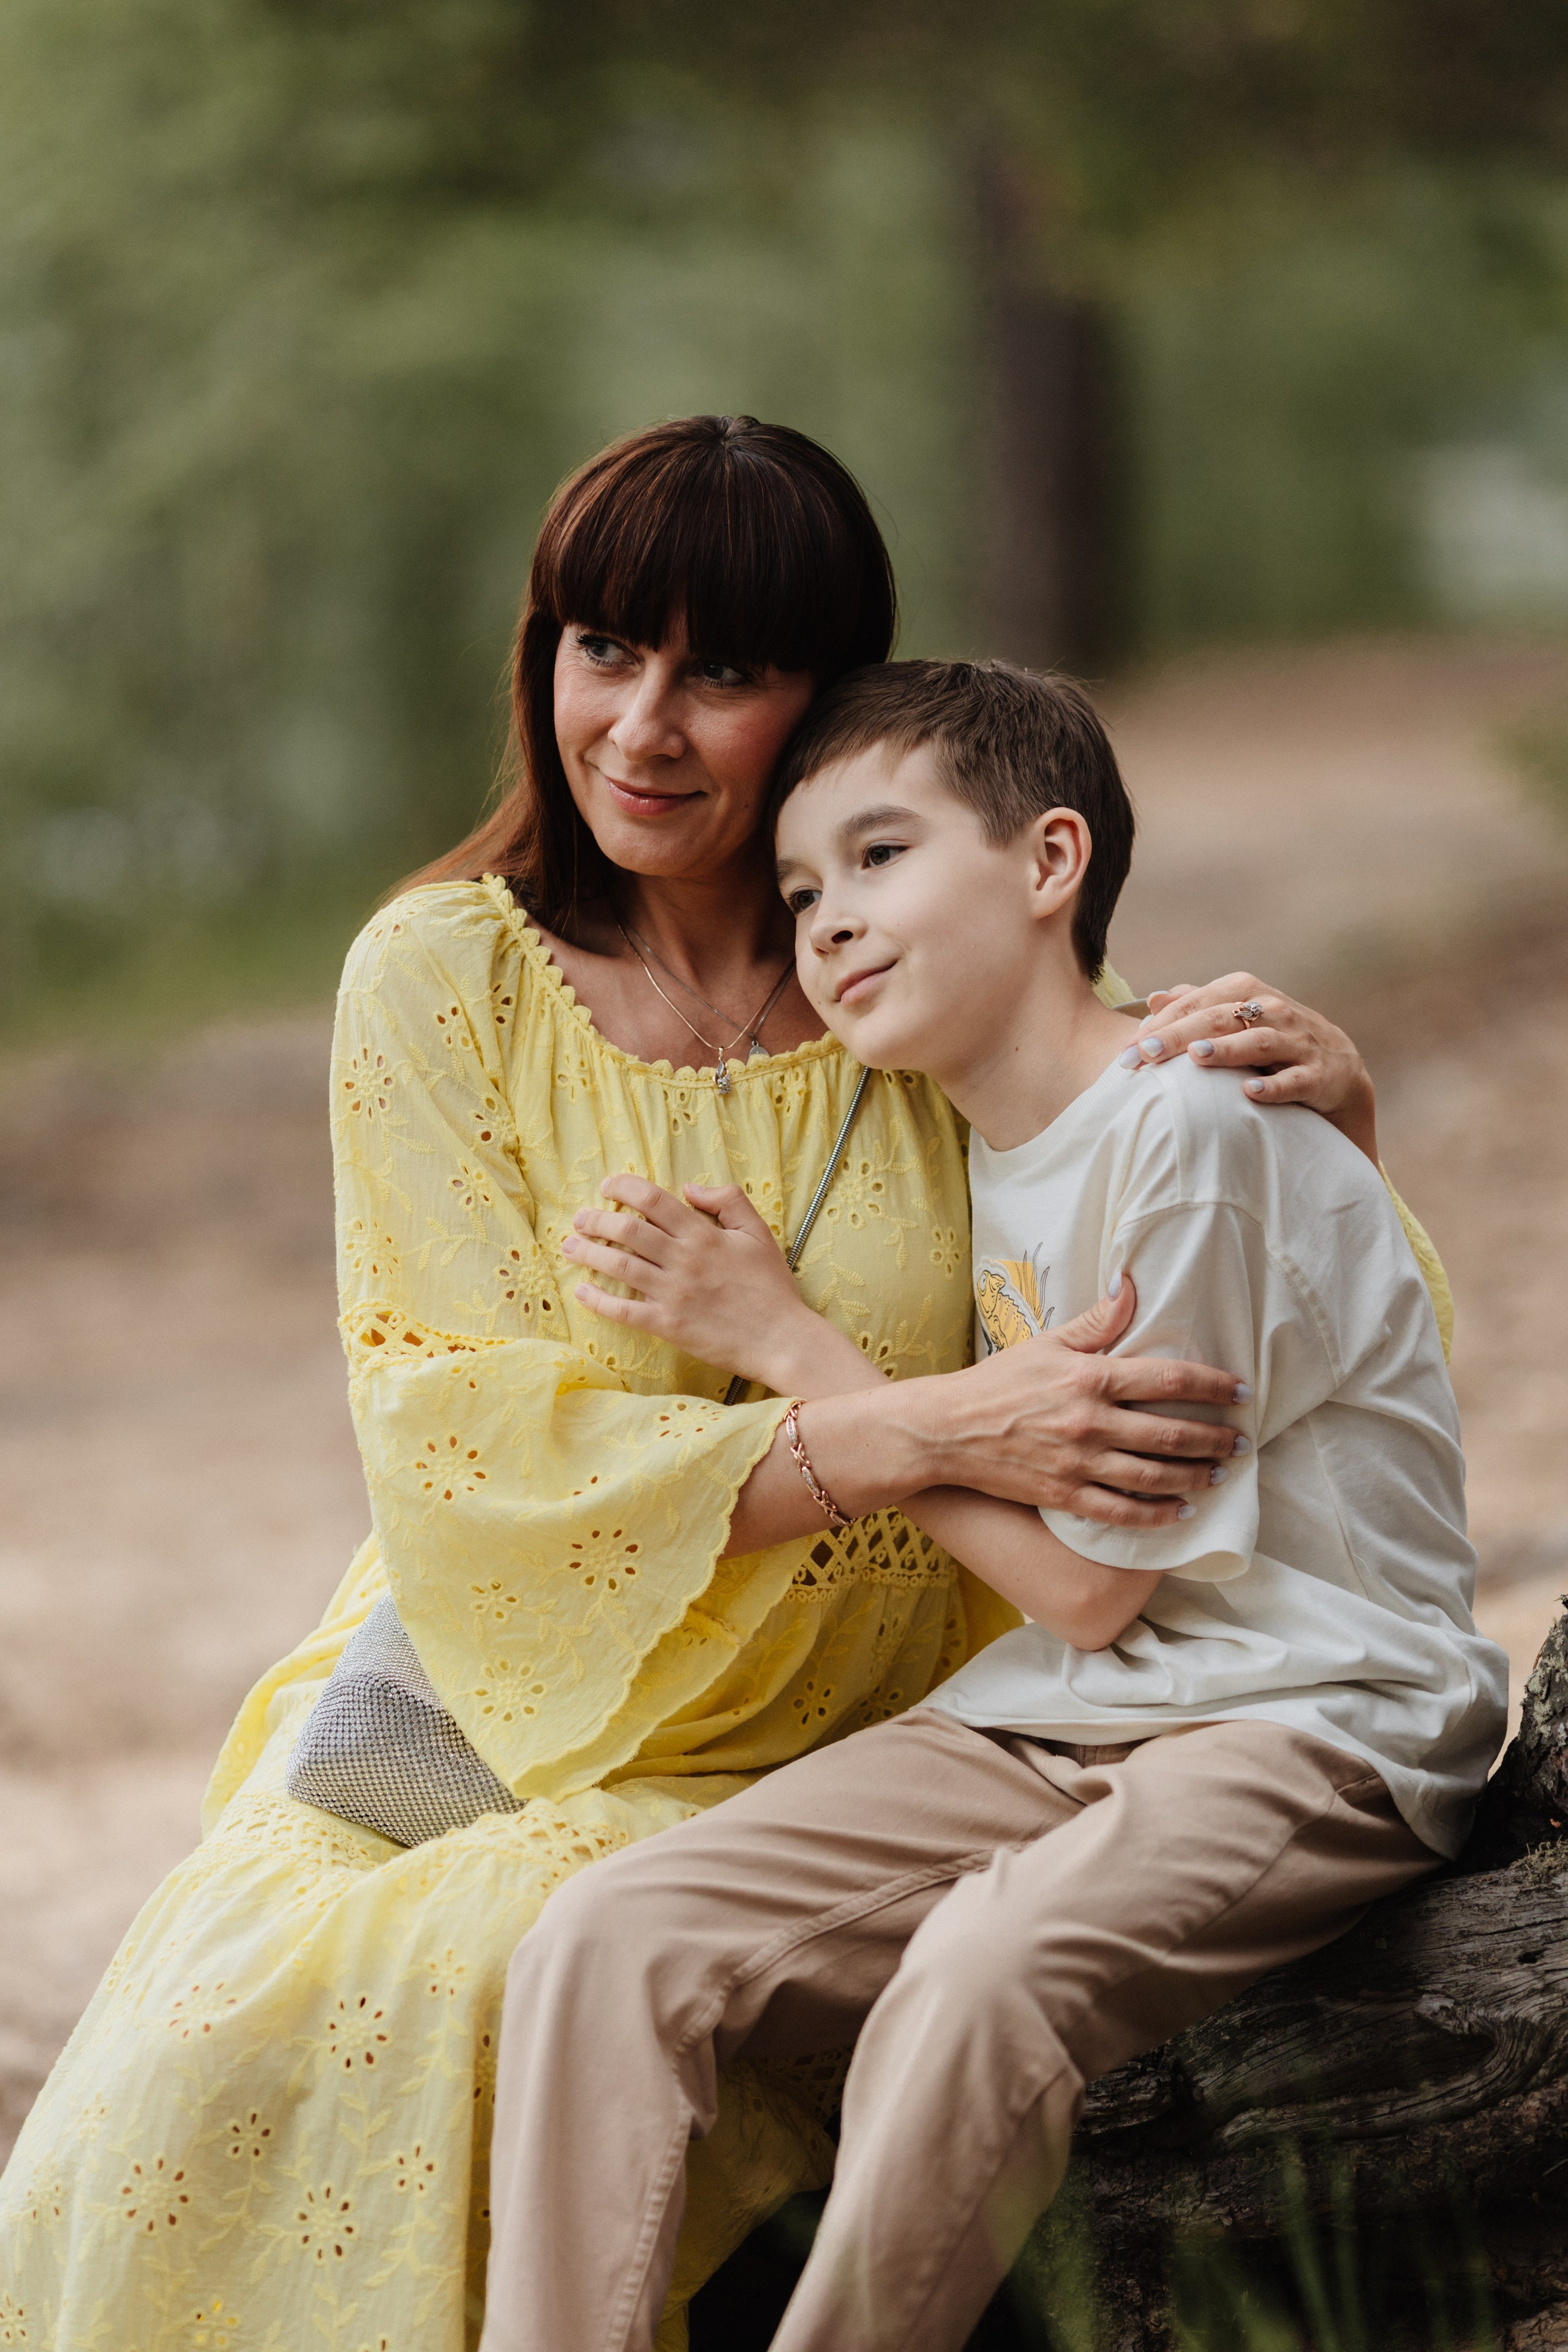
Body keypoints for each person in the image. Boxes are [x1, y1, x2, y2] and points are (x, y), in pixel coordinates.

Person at [0, 419, 1448, 2352]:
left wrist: (1337, 1116)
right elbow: (459, 1443)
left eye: (728, 672)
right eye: (605, 648)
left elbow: (1214, 1275)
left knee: (780, 1970)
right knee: (247, 2039)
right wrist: (911, 1421)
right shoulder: (446, 978)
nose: (644, 726)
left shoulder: (894, 971)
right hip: (557, 1688)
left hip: (954, 1670)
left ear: (834, 703)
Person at [478, 658, 1507, 2352]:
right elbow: (1085, 1627)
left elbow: (1099, 1590)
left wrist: (794, 1346)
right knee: (606, 1935)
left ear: (1048, 866)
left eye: (881, 859)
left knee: (979, 1976)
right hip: (1061, 1718)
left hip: (1309, 1720)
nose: (827, 924)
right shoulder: (950, 1151)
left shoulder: (1193, 1131)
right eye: (803, 889)